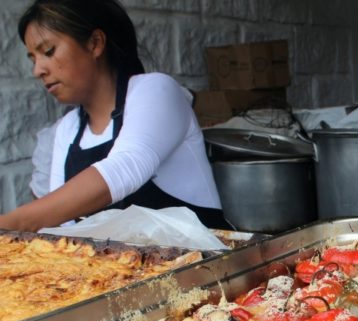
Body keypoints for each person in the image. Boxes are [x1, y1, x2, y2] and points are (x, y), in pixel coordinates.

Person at [0, 0, 226, 231]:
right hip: (118, 266)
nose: (38, 70)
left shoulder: (156, 90)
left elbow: (125, 167)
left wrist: (15, 222)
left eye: (48, 51)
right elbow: (63, 227)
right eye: (33, 59)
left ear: (95, 43)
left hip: (203, 262)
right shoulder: (67, 130)